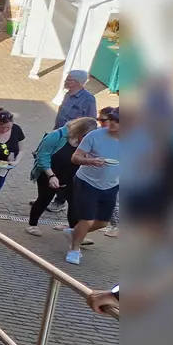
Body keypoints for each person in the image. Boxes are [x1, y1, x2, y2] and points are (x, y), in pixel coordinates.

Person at [66, 106, 123, 265]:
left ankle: (75, 232)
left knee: (103, 222)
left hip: (111, 185)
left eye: (117, 121)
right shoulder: (95, 135)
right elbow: (75, 157)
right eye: (111, 119)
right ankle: (74, 249)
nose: (112, 123)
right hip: (87, 181)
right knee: (87, 220)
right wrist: (89, 161)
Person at [27, 116, 98, 236]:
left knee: (75, 203)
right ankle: (32, 224)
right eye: (86, 136)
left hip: (72, 177)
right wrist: (51, 176)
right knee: (44, 200)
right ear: (79, 131)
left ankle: (74, 232)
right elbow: (42, 156)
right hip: (49, 174)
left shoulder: (87, 141)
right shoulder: (56, 135)